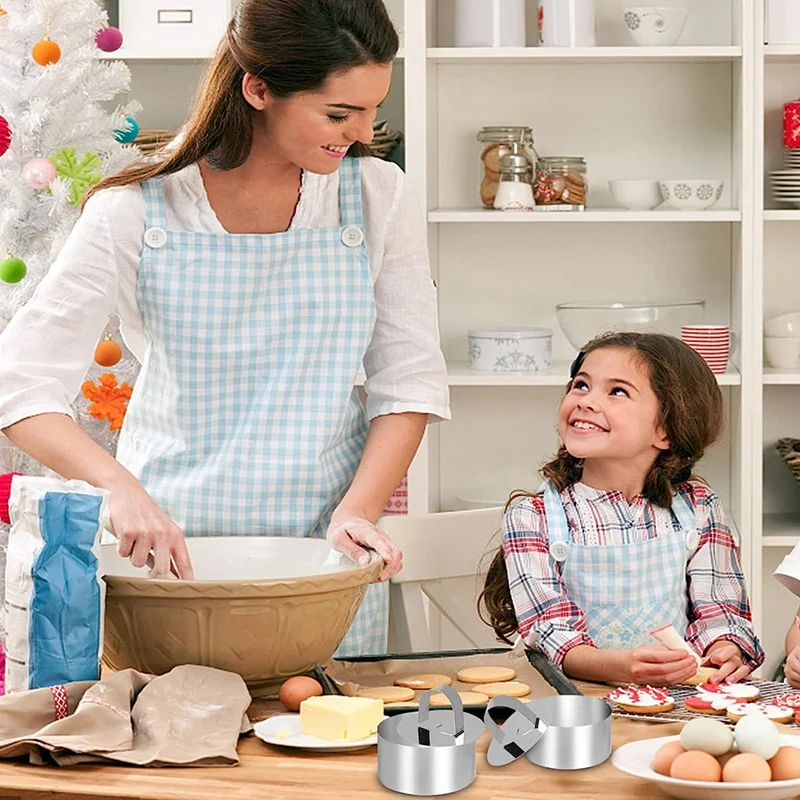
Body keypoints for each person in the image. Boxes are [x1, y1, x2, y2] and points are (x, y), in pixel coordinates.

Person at [0, 0, 450, 658]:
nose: (361, 133)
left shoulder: (379, 196)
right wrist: (122, 491)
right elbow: (21, 385)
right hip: (172, 554)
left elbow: (406, 383)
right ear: (258, 88)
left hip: (323, 556)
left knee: (323, 745)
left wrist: (358, 512)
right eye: (339, 113)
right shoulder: (135, 210)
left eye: (370, 111)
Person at [479, 332, 763, 686]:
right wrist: (620, 668)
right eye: (581, 385)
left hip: (677, 705)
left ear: (666, 430)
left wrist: (725, 648)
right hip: (579, 706)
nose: (586, 401)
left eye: (617, 392)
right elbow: (550, 633)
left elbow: (719, 610)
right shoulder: (533, 517)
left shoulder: (699, 508)